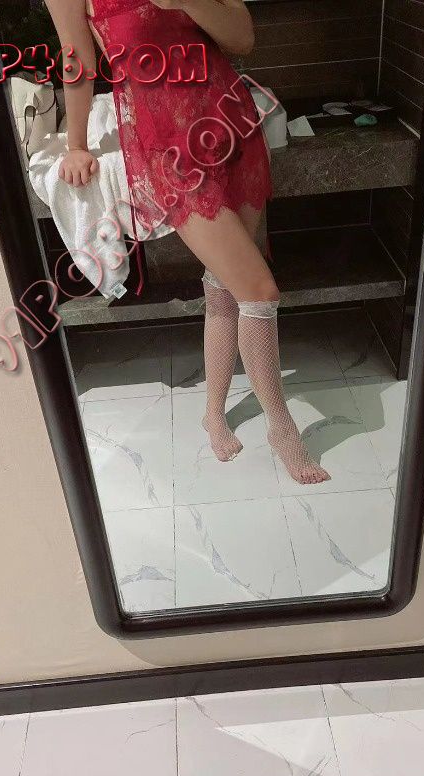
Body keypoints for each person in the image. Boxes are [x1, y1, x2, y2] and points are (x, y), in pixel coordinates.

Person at [45, 0, 330, 484]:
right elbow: (79, 61)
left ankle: (213, 413)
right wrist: (76, 145)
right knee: (260, 292)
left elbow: (242, 39)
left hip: (231, 125)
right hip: (169, 152)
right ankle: (282, 428)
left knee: (225, 286)